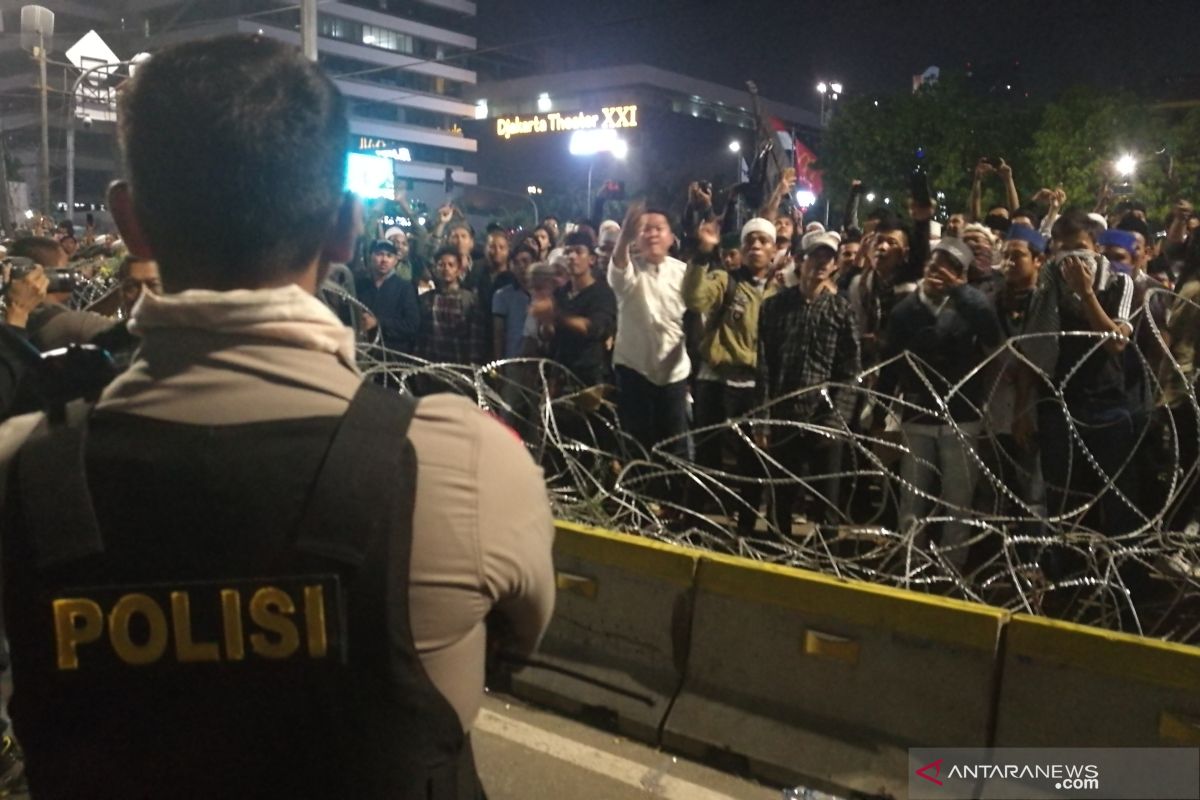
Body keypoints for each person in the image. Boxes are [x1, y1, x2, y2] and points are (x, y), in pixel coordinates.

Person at [0, 35, 555, 799]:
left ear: (130, 224)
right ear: (346, 226)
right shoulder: (466, 467)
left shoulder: (22, 473)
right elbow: (513, 646)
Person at [876, 238, 1003, 570]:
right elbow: (889, 365)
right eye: (935, 264)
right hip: (918, 416)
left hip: (962, 416)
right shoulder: (906, 309)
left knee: (958, 500)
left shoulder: (972, 305)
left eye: (949, 267)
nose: (938, 272)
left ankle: (951, 568)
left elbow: (994, 340)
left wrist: (961, 292)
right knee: (912, 498)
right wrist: (880, 415)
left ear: (961, 274)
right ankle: (912, 563)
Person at [756, 230, 861, 536]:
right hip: (783, 412)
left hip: (824, 418)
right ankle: (776, 555)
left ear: (834, 266)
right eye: (815, 256)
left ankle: (826, 563)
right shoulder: (774, 307)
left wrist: (835, 420)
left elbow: (850, 371)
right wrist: (763, 419)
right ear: (800, 261)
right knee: (780, 497)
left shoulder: (841, 310)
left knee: (826, 501)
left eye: (827, 258)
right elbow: (764, 366)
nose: (821, 263)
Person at [684, 216, 778, 535]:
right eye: (750, 240)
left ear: (774, 249)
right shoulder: (726, 279)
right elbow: (694, 299)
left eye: (763, 241)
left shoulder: (780, 290)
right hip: (715, 379)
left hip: (754, 385)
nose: (755, 246)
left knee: (751, 459)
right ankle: (696, 522)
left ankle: (746, 528)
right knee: (707, 454)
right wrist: (701, 255)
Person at [608, 202, 691, 464]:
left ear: (671, 237)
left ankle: (673, 502)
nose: (652, 234)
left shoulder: (683, 272)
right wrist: (624, 236)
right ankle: (641, 501)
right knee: (637, 443)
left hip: (674, 371)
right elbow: (619, 266)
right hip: (634, 369)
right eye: (645, 229)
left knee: (674, 443)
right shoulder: (629, 268)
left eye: (659, 228)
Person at [532, 229, 616, 388]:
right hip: (560, 378)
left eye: (578, 252)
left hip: (589, 380)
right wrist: (544, 324)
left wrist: (555, 315)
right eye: (568, 252)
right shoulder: (560, 293)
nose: (572, 257)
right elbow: (550, 337)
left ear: (591, 259)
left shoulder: (602, 293)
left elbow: (594, 328)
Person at [418, 246, 487, 366]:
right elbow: (422, 335)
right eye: (441, 265)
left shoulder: (470, 300)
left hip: (459, 364)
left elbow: (475, 339)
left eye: (451, 265)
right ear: (435, 269)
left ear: (459, 270)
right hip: (430, 364)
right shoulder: (427, 298)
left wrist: (473, 366)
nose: (446, 269)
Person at [356, 239, 420, 353]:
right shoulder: (360, 286)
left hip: (392, 356)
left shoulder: (405, 288)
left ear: (395, 260)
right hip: (362, 353)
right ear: (371, 257)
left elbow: (412, 325)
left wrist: (378, 322)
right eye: (379, 254)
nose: (384, 260)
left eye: (389, 256)